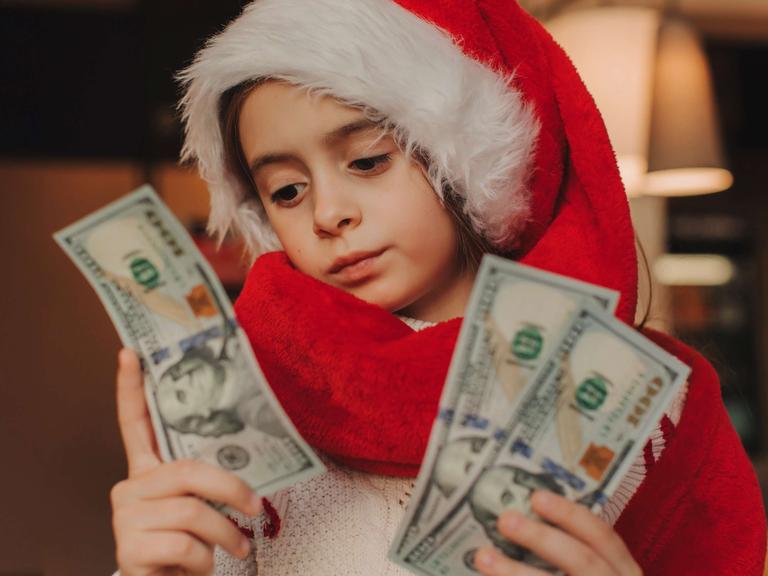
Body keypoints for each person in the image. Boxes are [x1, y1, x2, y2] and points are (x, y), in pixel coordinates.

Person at [109, 0, 767, 575]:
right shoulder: (235, 404)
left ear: (469, 157)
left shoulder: (656, 410)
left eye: (367, 160)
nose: (327, 213)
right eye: (285, 190)